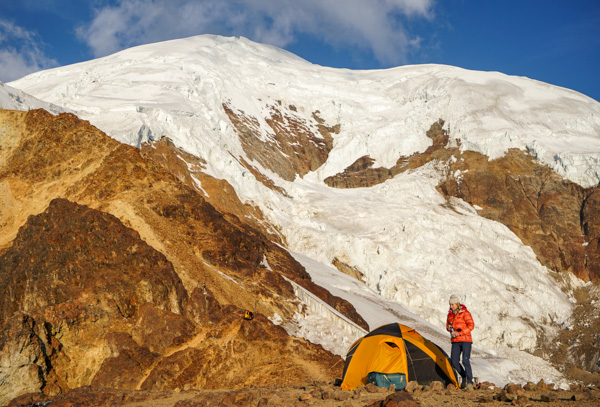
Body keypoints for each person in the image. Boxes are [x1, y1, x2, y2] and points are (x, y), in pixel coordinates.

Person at [446, 294, 475, 389]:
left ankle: (469, 382)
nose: (451, 306)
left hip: (465, 340)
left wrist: (460, 333)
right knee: (454, 361)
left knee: (465, 361)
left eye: (453, 304)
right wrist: (449, 328)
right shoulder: (450, 315)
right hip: (455, 341)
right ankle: (464, 377)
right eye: (450, 304)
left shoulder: (465, 313)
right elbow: (447, 326)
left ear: (457, 304)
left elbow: (471, 325)